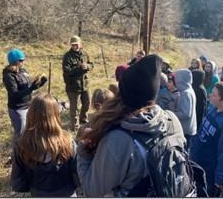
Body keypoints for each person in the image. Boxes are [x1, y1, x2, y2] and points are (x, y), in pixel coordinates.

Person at [76, 55, 185, 197]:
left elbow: (92, 191)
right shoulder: (172, 120)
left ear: (121, 92)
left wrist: (83, 149)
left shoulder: (117, 140)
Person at [10, 93, 78, 197]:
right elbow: (78, 174)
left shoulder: (21, 144)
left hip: (38, 193)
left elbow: (19, 184)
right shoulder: (68, 141)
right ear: (55, 115)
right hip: (67, 192)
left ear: (30, 115)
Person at [190, 82, 223, 197]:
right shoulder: (213, 109)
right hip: (198, 163)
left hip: (210, 174)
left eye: (214, 95)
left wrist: (219, 180)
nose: (209, 95)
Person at [2, 49, 47, 147]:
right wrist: (31, 88)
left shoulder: (23, 71)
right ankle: (16, 155)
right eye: (21, 60)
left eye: (23, 60)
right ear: (15, 61)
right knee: (20, 134)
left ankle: (27, 150)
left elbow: (29, 86)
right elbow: (15, 94)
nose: (23, 62)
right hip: (18, 109)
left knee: (30, 130)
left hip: (28, 105)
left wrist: (40, 83)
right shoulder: (8, 75)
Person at [62, 35, 94, 131]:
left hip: (85, 85)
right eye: (73, 45)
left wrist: (87, 66)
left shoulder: (84, 54)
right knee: (74, 108)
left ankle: (83, 119)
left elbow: (91, 64)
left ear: (80, 44)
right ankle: (74, 127)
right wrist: (79, 68)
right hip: (73, 86)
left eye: (76, 44)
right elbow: (67, 71)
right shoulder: (67, 56)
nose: (74, 46)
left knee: (87, 104)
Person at [174, 69, 197, 149]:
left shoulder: (186, 93)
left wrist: (172, 113)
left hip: (185, 129)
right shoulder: (188, 90)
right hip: (188, 127)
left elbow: (186, 114)